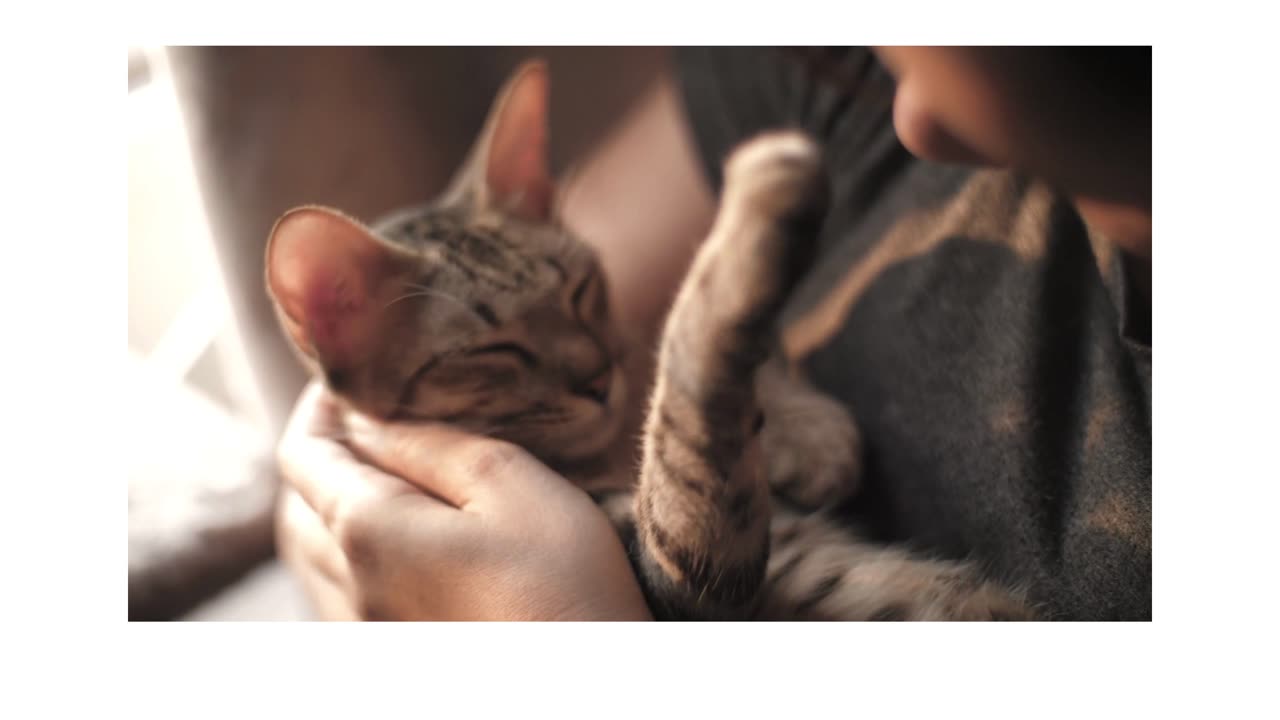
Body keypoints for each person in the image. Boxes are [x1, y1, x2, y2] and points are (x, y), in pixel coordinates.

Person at [181, 47, 1151, 620]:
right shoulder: (822, 69)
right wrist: (324, 523)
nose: (597, 365)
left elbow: (694, 571)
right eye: (504, 355)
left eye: (580, 305)